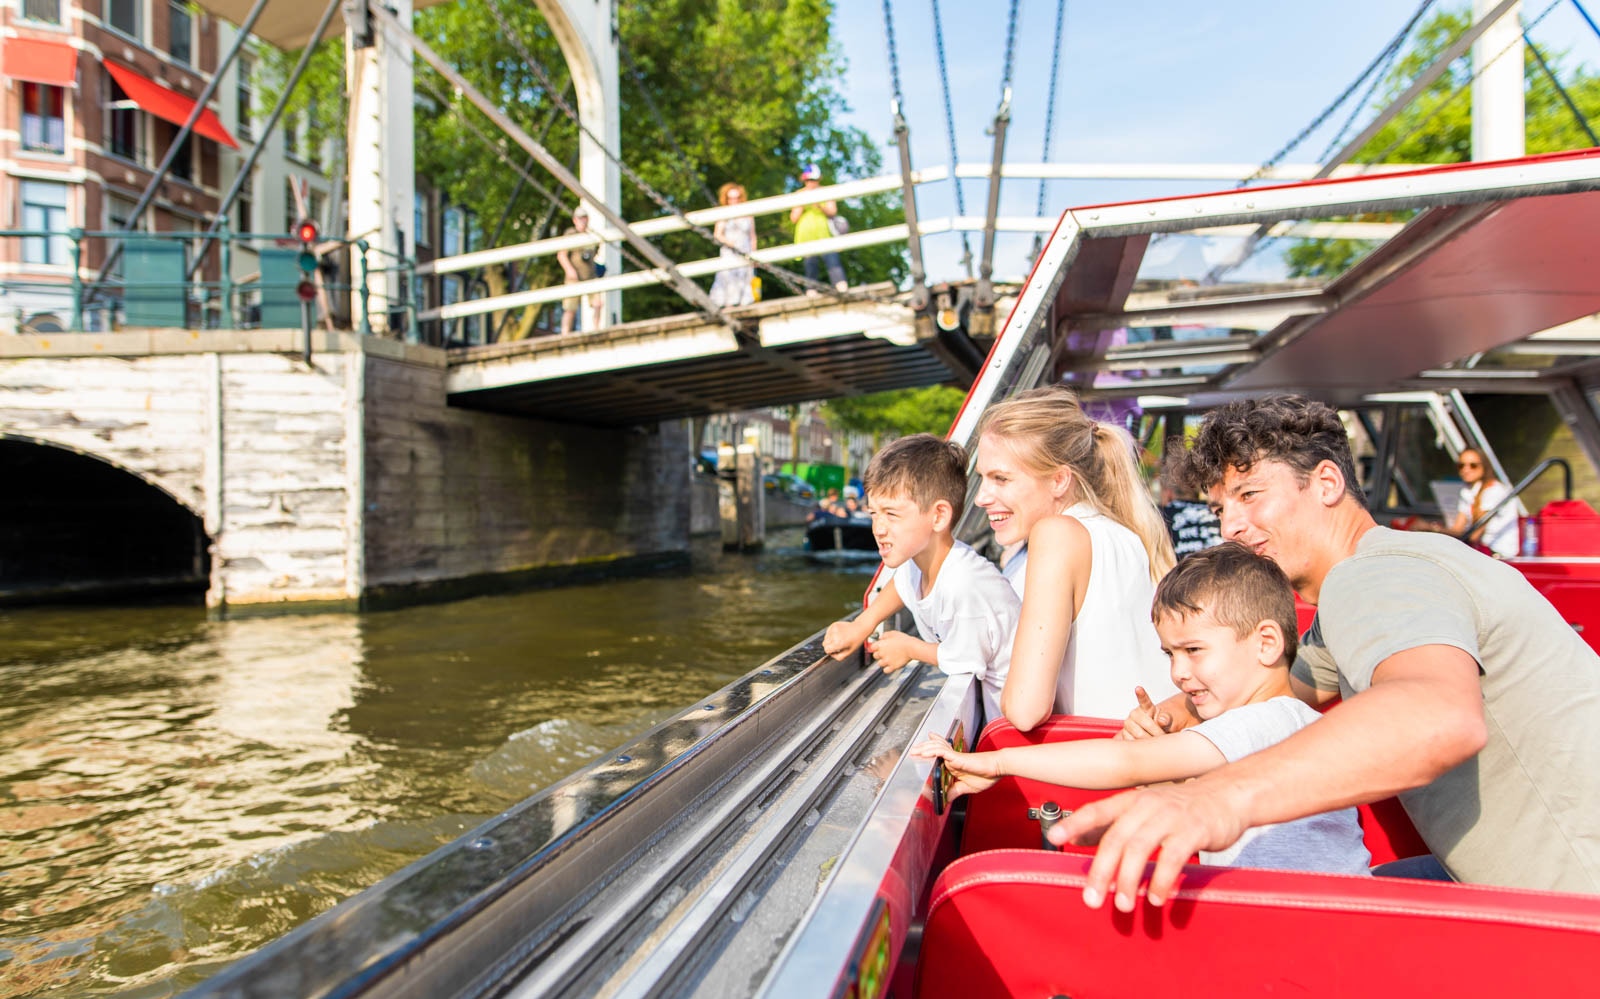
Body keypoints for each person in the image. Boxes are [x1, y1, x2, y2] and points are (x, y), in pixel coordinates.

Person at [1062, 395, 1600, 912]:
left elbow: (1437, 717)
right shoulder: (1382, 574)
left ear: (1326, 482)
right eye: (1220, 507)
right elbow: (1274, 681)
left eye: (1249, 495)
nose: (1229, 527)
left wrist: (1215, 800)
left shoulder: (1375, 579)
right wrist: (1172, 713)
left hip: (1573, 905)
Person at [913, 543, 1371, 876]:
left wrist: (997, 761)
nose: (1178, 673)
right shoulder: (1278, 725)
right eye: (1170, 654)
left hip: (1308, 935)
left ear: (1266, 643)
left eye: (1194, 650)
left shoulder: (1265, 723)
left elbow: (1125, 762)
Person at [973, 385, 1177, 730]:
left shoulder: (1057, 535)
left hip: (1106, 764)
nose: (981, 498)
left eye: (1000, 479)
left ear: (1059, 480)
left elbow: (1024, 710)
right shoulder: (1126, 534)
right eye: (982, 479)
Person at [821, 434, 1021, 722]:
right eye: (874, 513)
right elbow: (902, 586)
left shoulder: (964, 583)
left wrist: (909, 648)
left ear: (938, 516)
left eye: (892, 514)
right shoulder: (920, 563)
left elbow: (966, 659)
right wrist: (861, 625)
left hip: (1009, 725)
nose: (878, 528)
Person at [1433, 447, 1518, 557]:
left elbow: (1474, 535)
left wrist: (1433, 529)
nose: (1466, 470)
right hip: (1481, 551)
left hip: (1498, 554)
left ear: (1484, 466)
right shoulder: (1467, 491)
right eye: (1461, 466)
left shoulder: (1494, 490)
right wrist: (1431, 530)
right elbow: (1458, 528)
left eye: (1473, 465)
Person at [789, 164, 847, 292]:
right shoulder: (799, 194)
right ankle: (811, 289)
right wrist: (803, 203)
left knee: (832, 260)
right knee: (810, 263)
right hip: (806, 233)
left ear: (818, 179)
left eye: (813, 180)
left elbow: (833, 211)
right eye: (808, 180)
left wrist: (819, 206)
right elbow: (793, 218)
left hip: (824, 232)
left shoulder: (825, 192)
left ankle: (841, 286)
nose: (811, 183)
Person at [556, 207, 603, 334]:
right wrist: (570, 270)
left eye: (584, 217)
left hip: (590, 275)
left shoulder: (592, 235)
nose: (582, 220)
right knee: (570, 308)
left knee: (598, 303)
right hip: (574, 278)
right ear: (574, 220)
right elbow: (562, 255)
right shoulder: (571, 234)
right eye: (579, 218)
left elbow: (595, 254)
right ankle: (565, 334)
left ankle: (596, 330)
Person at [709, 182, 756, 308]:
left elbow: (752, 236)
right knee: (728, 276)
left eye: (737, 198)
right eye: (731, 198)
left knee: (746, 275)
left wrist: (754, 253)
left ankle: (745, 304)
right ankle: (729, 305)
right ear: (727, 199)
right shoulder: (723, 213)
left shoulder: (747, 213)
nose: (734, 201)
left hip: (745, 249)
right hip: (729, 250)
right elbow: (717, 234)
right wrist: (730, 244)